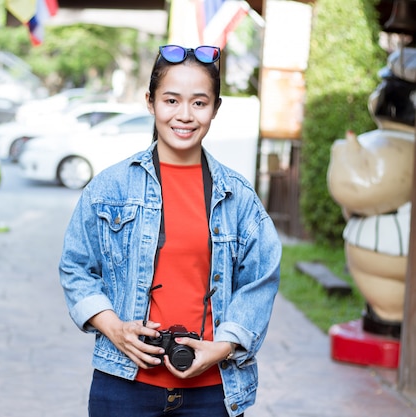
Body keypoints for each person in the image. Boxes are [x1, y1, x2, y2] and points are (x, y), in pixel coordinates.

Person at [59, 44, 281, 417]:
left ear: (215, 108)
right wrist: (114, 328)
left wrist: (223, 346)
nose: (185, 115)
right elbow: (75, 267)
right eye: (171, 100)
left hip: (213, 392)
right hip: (123, 387)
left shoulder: (238, 196)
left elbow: (261, 278)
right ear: (150, 102)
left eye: (199, 103)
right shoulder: (110, 187)